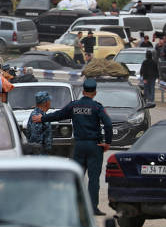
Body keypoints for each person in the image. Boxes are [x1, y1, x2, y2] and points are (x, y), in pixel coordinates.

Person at [33, 78, 112, 214]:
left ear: (82, 91)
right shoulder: (97, 107)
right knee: (93, 179)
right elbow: (108, 124)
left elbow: (59, 115)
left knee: (77, 177)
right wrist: (107, 142)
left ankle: (75, 206)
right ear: (95, 92)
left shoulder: (74, 106)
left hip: (79, 146)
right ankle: (93, 208)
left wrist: (42, 118)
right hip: (94, 146)